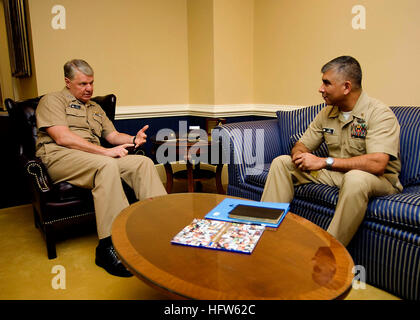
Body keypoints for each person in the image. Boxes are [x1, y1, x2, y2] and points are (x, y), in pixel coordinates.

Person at [35, 59, 167, 277]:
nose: (89, 89)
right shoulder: (52, 100)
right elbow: (62, 137)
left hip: (93, 157)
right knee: (106, 165)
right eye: (83, 84)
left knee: (141, 163)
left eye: (92, 83)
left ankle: (161, 225)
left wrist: (134, 139)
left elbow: (112, 136)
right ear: (67, 82)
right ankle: (109, 246)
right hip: (60, 156)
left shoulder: (95, 108)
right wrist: (105, 153)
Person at [261, 56, 402, 246]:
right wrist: (299, 155)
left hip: (378, 180)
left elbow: (378, 164)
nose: (320, 89)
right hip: (338, 174)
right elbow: (302, 144)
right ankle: (265, 235)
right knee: (282, 163)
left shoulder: (380, 113)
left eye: (326, 83)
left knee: (356, 178)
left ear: (346, 87)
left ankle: (328, 252)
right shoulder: (327, 113)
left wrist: (324, 162)